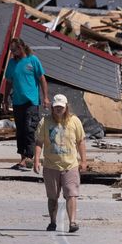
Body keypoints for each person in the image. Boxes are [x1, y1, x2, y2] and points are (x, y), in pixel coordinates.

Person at [33, 94, 87, 233]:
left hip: (70, 165)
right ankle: (52, 222)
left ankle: (73, 222)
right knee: (52, 197)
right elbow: (39, 142)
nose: (58, 109)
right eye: (56, 107)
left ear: (66, 107)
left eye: (61, 107)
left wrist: (83, 161)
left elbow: (81, 141)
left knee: (71, 194)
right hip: (51, 165)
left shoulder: (74, 121)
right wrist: (36, 160)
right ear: (52, 107)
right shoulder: (45, 122)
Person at [3, 38, 49, 171]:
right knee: (21, 130)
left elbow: (42, 79)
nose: (13, 52)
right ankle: (23, 158)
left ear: (21, 47)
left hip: (32, 101)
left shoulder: (32, 60)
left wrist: (45, 97)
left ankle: (30, 156)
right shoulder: (12, 63)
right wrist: (5, 100)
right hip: (17, 101)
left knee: (30, 128)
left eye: (14, 49)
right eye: (11, 50)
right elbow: (9, 82)